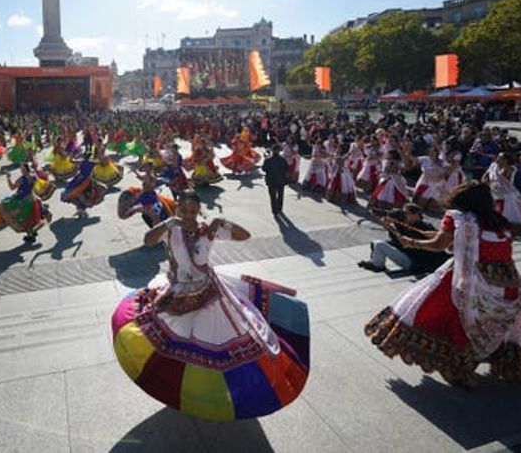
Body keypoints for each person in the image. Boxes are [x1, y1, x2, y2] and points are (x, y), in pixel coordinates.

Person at [111, 190, 309, 421]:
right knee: (171, 338)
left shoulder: (207, 230)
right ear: (177, 209)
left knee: (216, 341)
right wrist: (167, 222)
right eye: (184, 210)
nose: (188, 215)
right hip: (177, 293)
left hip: (208, 293)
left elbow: (245, 235)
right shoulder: (171, 229)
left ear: (199, 211)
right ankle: (180, 385)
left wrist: (221, 223)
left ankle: (213, 393)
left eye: (193, 211)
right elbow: (148, 240)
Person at [365, 181, 521, 387]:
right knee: (497, 325)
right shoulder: (500, 222)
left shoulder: (457, 217)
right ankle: (503, 365)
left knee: (445, 318)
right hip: (507, 283)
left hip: (470, 279)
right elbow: (473, 242)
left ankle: (459, 369)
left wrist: (411, 242)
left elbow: (439, 245)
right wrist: (434, 235)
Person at [358, 204, 448, 273]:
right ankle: (374, 262)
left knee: (379, 244)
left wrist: (390, 228)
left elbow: (404, 243)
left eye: (406, 213)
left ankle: (378, 266)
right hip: (413, 258)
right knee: (379, 243)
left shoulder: (422, 227)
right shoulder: (411, 224)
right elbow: (397, 240)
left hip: (415, 263)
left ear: (415, 215)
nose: (404, 214)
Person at [0, 164, 51, 243]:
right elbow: (13, 187)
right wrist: (8, 178)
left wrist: (8, 178)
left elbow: (13, 187)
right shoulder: (28, 178)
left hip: (27, 202)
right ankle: (31, 233)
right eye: (21, 169)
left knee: (26, 219)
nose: (21, 171)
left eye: (23, 169)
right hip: (27, 200)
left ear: (27, 169)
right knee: (27, 219)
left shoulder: (28, 178)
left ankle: (30, 234)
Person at [262, 144, 289, 217]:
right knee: (280, 195)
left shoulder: (268, 160)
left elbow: (263, 169)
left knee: (273, 196)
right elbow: (287, 169)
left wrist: (265, 158)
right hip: (281, 180)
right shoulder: (283, 160)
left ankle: (275, 210)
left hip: (271, 180)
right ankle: (279, 208)